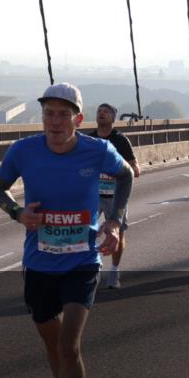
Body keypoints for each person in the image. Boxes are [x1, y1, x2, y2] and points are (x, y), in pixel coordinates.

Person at [0, 83, 134, 378]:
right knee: (54, 346)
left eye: (63, 115)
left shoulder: (97, 150)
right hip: (38, 262)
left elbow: (126, 176)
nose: (55, 121)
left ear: (78, 119)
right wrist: (17, 213)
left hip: (82, 261)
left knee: (69, 346)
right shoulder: (23, 151)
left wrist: (115, 222)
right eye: (49, 114)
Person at [86, 103, 140, 289]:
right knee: (85, 232)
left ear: (113, 118)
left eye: (106, 111)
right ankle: (93, 265)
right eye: (99, 110)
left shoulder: (120, 140)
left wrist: (117, 169)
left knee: (118, 233)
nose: (101, 113)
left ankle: (115, 271)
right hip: (92, 195)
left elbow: (135, 170)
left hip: (115, 196)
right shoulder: (90, 139)